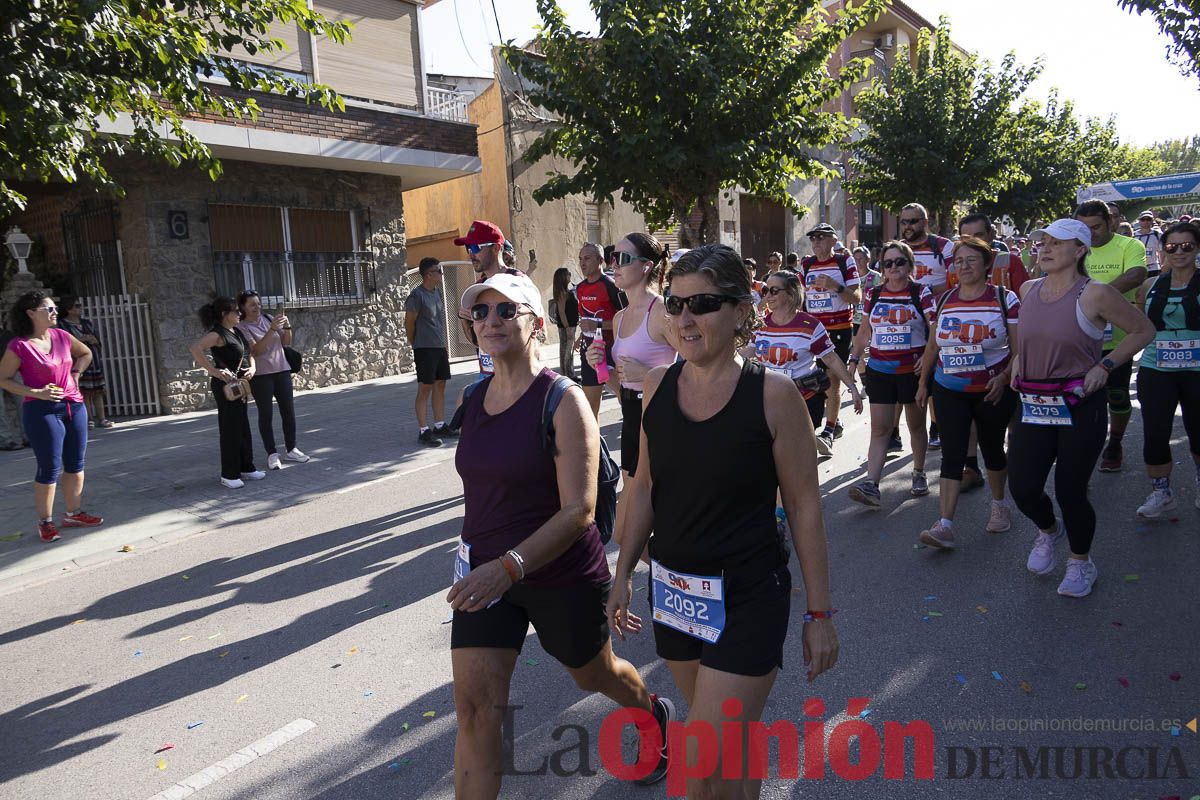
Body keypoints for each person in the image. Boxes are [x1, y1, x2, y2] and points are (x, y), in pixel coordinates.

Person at [607, 245, 838, 798]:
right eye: (677, 304)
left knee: (704, 760)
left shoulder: (774, 396)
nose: (685, 319)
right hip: (677, 592)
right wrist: (621, 577)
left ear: (739, 312)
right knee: (727, 756)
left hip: (748, 595)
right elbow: (643, 487)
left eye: (704, 304)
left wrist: (819, 612)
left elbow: (805, 508)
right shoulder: (658, 387)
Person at [449, 272, 674, 796]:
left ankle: (650, 712)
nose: (491, 321)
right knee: (477, 710)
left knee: (594, 675)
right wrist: (489, 567)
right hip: (485, 576)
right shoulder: (472, 398)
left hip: (560, 574)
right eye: (480, 313)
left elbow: (579, 509)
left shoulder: (563, 400)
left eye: (507, 310)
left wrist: (508, 567)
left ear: (537, 324)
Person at [1008, 219, 1154, 597]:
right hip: (1034, 404)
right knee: (1022, 488)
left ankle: (1079, 562)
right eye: (1043, 241)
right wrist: (1019, 363)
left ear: (1080, 250)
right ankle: (1048, 530)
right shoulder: (1027, 289)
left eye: (1058, 243)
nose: (1046, 248)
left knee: (1071, 490)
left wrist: (1104, 366)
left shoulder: (1095, 293)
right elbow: (1028, 338)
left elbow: (1143, 330)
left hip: (1079, 405)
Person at [915, 237, 1021, 548]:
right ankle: (944, 524)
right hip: (949, 387)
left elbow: (1019, 349)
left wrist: (1003, 379)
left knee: (991, 447)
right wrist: (923, 383)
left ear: (987, 264)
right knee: (952, 452)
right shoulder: (945, 300)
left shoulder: (1006, 298)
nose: (963, 266)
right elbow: (933, 345)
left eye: (971, 260)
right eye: (958, 261)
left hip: (991, 389)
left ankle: (1000, 504)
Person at [0, 291, 104, 542]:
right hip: (42, 411)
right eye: (49, 309)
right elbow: (3, 379)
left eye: (55, 308)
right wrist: (36, 392)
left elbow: (86, 353)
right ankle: (45, 522)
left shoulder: (62, 336)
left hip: (74, 407)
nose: (55, 312)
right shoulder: (19, 346)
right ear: (31, 313)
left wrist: (76, 375)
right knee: (49, 468)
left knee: (76, 464)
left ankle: (73, 514)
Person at [847, 240, 936, 507]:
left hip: (912, 371)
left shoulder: (921, 293)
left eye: (899, 262)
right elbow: (864, 331)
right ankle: (872, 484)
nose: (894, 267)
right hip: (880, 370)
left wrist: (928, 358)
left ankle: (919, 473)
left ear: (910, 265)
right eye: (888, 263)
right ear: (882, 267)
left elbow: (935, 329)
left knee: (916, 425)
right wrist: (853, 358)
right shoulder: (873, 294)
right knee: (880, 429)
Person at [747, 269, 862, 455]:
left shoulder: (809, 325)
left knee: (791, 453)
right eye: (766, 290)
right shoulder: (762, 324)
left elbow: (831, 358)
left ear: (791, 293)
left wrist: (853, 387)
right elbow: (749, 351)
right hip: (769, 399)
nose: (768, 295)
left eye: (774, 290)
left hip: (804, 400)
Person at [1075, 199, 1148, 473]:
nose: (1090, 234)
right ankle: (1082, 455)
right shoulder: (1075, 248)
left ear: (1111, 223)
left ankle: (1115, 442)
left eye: (1096, 227)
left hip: (1117, 340)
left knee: (1116, 396)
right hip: (1079, 340)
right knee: (1082, 400)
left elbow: (1136, 275)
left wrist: (1097, 300)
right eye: (1084, 228)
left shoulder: (1129, 246)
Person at [1133, 222, 1200, 517]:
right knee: (1155, 432)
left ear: (1197, 248)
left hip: (1197, 369)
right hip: (1156, 367)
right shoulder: (1149, 286)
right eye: (1172, 247)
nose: (1180, 252)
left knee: (1198, 431)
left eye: (1187, 246)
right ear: (1163, 250)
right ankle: (1161, 491)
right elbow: (1139, 323)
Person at [188, 297, 265, 489]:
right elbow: (195, 348)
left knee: (242, 427)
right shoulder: (217, 334)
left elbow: (249, 353)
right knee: (230, 429)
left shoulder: (236, 330)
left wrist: (253, 368)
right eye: (236, 311)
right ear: (225, 314)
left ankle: (247, 467)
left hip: (240, 385)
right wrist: (213, 371)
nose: (240, 314)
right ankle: (229, 474)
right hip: (226, 386)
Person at [800, 223, 861, 452]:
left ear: (833, 241)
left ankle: (829, 429)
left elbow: (856, 297)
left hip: (838, 328)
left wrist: (835, 286)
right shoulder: (807, 264)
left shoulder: (845, 261)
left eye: (821, 238)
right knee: (809, 380)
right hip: (812, 330)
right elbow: (801, 298)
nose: (816, 242)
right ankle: (817, 424)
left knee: (831, 378)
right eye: (813, 238)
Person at [898, 203, 954, 449]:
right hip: (905, 320)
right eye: (903, 222)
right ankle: (893, 433)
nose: (908, 226)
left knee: (931, 372)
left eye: (913, 221)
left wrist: (924, 292)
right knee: (903, 373)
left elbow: (955, 282)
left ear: (925, 222)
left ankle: (936, 425)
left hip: (937, 318)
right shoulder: (898, 248)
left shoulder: (943, 246)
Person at [237, 291, 310, 467]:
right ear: (243, 307)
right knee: (266, 415)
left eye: (259, 303)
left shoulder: (268, 318)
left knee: (288, 412)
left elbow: (286, 342)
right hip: (261, 376)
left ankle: (292, 449)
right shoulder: (242, 327)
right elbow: (256, 351)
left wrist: (287, 327)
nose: (257, 307)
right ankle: (272, 453)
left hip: (282, 370)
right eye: (253, 304)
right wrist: (271, 330)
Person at [455, 220, 521, 378]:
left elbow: (539, 333)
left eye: (475, 247)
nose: (471, 254)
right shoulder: (478, 288)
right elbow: (477, 341)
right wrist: (466, 319)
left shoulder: (518, 282)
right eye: (468, 248)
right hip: (487, 376)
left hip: (515, 376)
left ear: (496, 248)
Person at [405, 258, 455, 447]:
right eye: (438, 271)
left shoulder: (437, 293)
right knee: (425, 387)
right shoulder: (417, 296)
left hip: (439, 347)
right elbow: (409, 323)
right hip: (424, 348)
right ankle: (424, 431)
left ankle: (440, 425)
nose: (441, 274)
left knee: (440, 384)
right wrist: (414, 343)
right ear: (428, 274)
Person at [575, 242, 625, 418]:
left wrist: (597, 325)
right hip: (590, 352)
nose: (582, 263)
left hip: (612, 351)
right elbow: (586, 318)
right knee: (589, 410)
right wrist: (581, 335)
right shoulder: (580, 288)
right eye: (580, 258)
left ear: (601, 260)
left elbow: (627, 320)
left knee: (625, 401)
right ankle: (594, 445)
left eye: (587, 258)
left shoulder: (611, 286)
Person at [57, 296, 113, 428]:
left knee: (98, 391)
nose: (80, 308)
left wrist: (94, 340)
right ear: (69, 309)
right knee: (85, 392)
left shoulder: (87, 323)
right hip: (78, 362)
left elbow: (98, 341)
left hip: (93, 361)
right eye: (77, 306)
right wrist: (81, 340)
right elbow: (65, 344)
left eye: (80, 305)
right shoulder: (63, 325)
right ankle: (89, 419)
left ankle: (102, 418)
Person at [550, 266, 579, 379]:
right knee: (568, 350)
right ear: (563, 278)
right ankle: (568, 374)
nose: (570, 275)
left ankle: (566, 373)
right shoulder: (562, 293)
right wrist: (567, 327)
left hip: (568, 325)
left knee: (565, 349)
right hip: (568, 326)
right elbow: (562, 312)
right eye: (568, 274)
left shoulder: (565, 291)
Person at [1135, 211, 1163, 277]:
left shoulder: (1158, 234)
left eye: (1148, 219)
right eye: (1143, 219)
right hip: (1138, 269)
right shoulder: (1134, 235)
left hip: (1154, 268)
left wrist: (1163, 267)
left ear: (1152, 220)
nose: (1145, 221)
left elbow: (1162, 253)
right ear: (1139, 221)